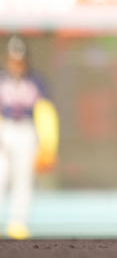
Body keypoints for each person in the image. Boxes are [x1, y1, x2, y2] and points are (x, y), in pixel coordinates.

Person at [0, 36, 54, 240]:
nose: (16, 64)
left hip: (26, 131)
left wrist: (48, 146)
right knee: (0, 176)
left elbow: (46, 113)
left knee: (23, 180)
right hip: (4, 129)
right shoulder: (2, 79)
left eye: (19, 59)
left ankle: (18, 224)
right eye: (13, 59)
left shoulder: (36, 81)